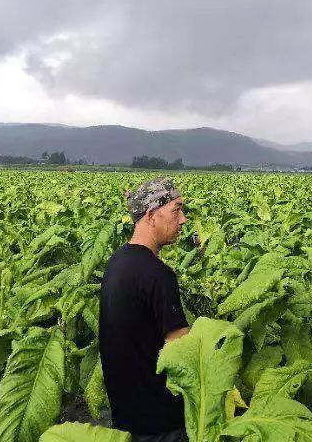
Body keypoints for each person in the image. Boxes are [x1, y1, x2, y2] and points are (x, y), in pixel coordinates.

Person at [99, 177, 190, 442]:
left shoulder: (115, 263)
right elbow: (183, 354)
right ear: (151, 215)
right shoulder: (157, 275)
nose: (183, 219)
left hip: (128, 418)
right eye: (176, 209)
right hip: (162, 423)